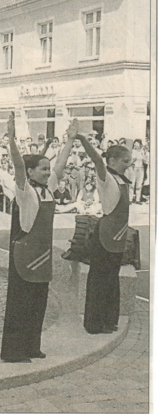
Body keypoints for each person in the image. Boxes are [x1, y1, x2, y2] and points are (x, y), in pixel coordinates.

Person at [0, 115, 77, 363]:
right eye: (42, 169)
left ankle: (32, 345)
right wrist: (11, 139)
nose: (47, 172)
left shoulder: (48, 189)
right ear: (31, 171)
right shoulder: (26, 192)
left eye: (47, 169)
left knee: (38, 303)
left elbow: (61, 165)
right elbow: (18, 165)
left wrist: (70, 140)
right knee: (20, 304)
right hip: (24, 254)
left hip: (42, 255)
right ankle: (14, 351)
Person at [77, 137, 133, 334]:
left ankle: (109, 319)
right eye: (125, 161)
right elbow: (96, 160)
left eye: (129, 160)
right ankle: (94, 323)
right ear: (112, 161)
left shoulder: (121, 180)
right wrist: (82, 138)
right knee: (99, 280)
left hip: (118, 234)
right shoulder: (106, 177)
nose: (129, 164)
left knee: (111, 279)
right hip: (106, 233)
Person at [129, 140, 146, 204]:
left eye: (137, 144)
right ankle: (130, 199)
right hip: (134, 168)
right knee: (132, 184)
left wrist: (144, 154)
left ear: (140, 145)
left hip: (141, 168)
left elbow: (145, 161)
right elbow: (132, 160)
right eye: (135, 144)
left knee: (139, 185)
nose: (136, 146)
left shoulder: (142, 151)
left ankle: (137, 199)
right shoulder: (133, 151)